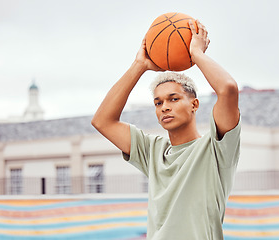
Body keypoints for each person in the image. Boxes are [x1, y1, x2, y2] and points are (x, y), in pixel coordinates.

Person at [92, 20, 241, 240]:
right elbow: (102, 121)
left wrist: (196, 53)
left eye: (174, 98)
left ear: (194, 105)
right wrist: (139, 65)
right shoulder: (153, 151)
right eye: (158, 102)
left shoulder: (216, 149)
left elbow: (228, 89)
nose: (165, 107)